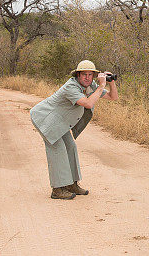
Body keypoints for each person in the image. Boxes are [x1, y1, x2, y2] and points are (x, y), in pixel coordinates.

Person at [29, 60, 119, 199]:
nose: (87, 77)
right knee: (57, 150)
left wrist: (111, 82)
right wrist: (101, 85)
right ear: (78, 75)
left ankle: (71, 184)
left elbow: (113, 97)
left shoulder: (91, 85)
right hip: (46, 119)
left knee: (71, 147)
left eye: (90, 74)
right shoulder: (71, 86)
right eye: (84, 74)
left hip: (60, 122)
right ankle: (58, 189)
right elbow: (88, 104)